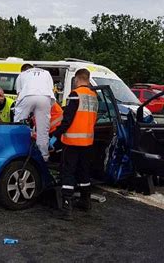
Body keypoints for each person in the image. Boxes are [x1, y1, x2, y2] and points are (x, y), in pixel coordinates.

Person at [51, 68, 98, 220]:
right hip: (87, 142)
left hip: (72, 142)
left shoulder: (75, 95)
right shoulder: (94, 96)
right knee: (84, 172)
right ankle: (86, 201)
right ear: (88, 79)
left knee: (68, 173)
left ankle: (67, 208)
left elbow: (67, 119)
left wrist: (55, 136)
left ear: (77, 79)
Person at [14, 64, 55, 161]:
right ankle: (44, 156)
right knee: (43, 131)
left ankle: (17, 150)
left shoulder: (22, 75)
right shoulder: (46, 73)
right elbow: (51, 89)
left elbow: (19, 94)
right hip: (45, 97)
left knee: (18, 124)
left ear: (23, 70)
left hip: (27, 95)